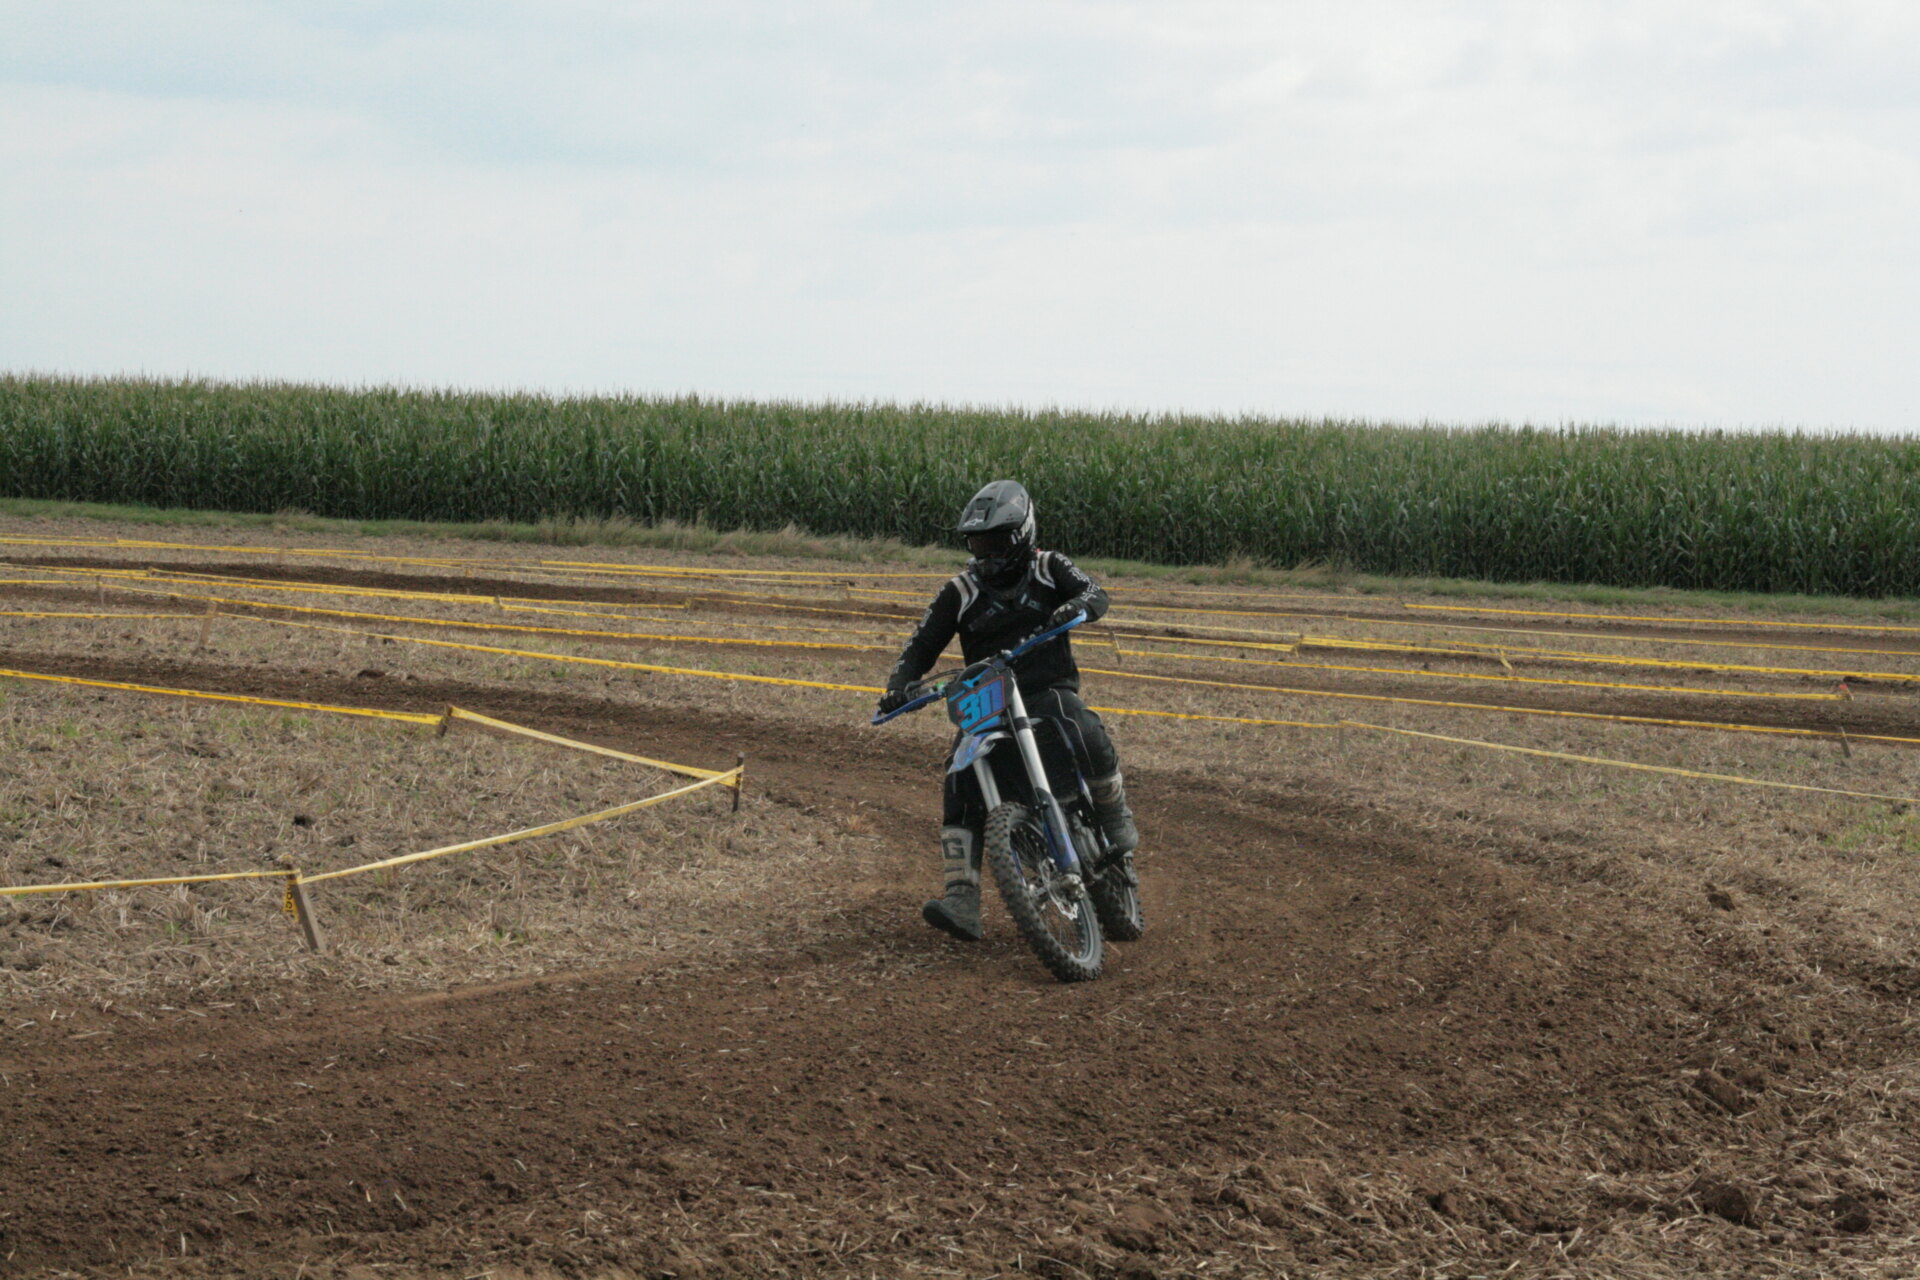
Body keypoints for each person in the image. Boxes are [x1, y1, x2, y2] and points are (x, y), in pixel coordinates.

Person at [878, 480, 1138, 941]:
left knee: (1079, 723)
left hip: (1045, 687)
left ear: (1022, 534)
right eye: (979, 544)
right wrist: (898, 688)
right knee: (958, 774)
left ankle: (1115, 817)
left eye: (997, 541)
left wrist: (1076, 606)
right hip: (986, 699)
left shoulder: (1049, 566)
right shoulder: (959, 591)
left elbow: (1094, 593)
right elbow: (919, 647)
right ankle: (961, 896)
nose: (988, 553)